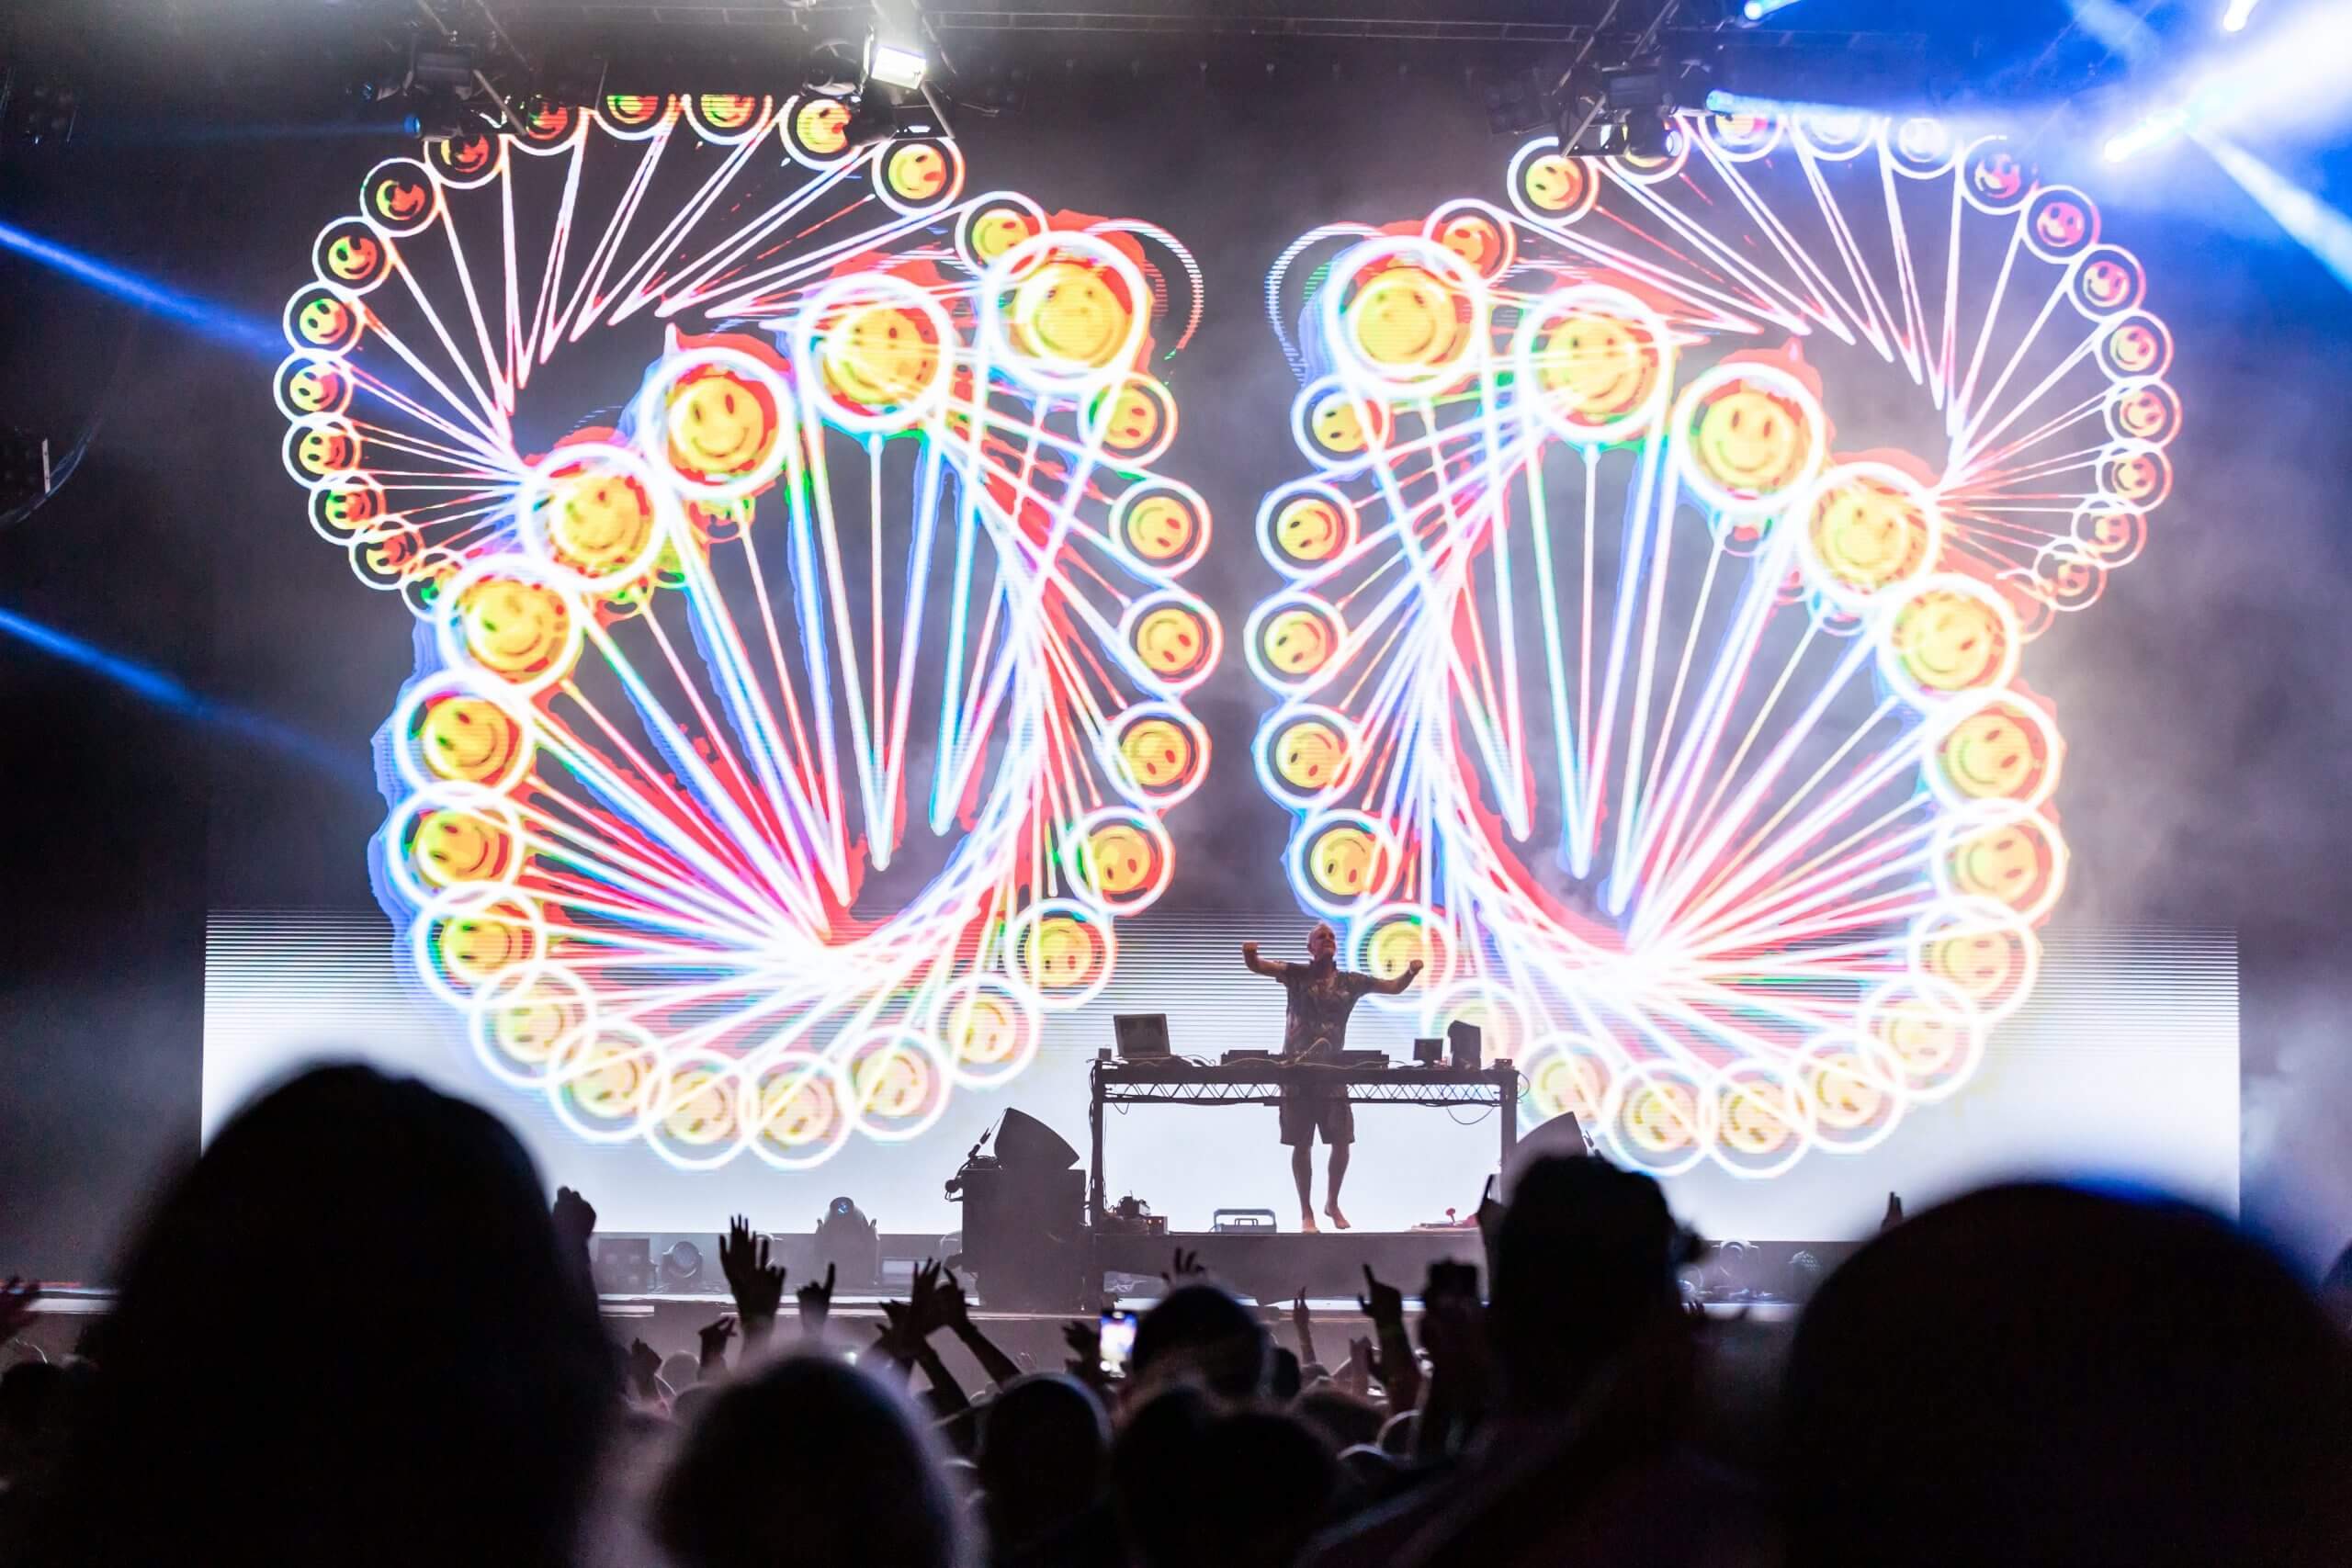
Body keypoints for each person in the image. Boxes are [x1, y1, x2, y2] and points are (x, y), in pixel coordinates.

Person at [1241, 921, 1422, 1231]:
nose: (1327, 940)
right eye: (1320, 937)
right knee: (1302, 1143)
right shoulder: (1296, 975)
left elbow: (1393, 987)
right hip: (1295, 1070)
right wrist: (1250, 952)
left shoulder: (1350, 982)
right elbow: (1258, 966)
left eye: (1331, 937)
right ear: (1310, 948)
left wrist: (1410, 972)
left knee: (1341, 1140)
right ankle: (1306, 1213)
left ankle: (1332, 1203)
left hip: (1332, 1071)